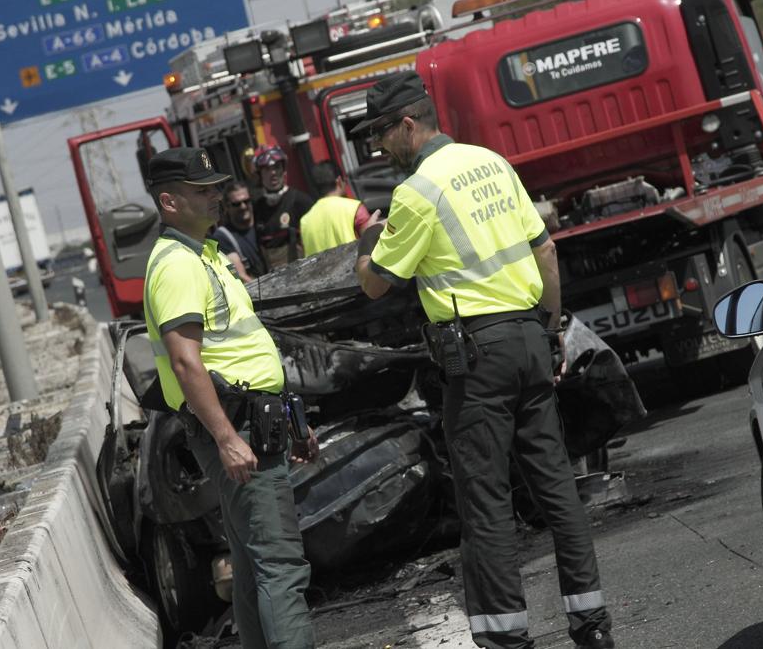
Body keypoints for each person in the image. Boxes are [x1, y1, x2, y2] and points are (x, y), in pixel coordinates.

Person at [351, 72, 614, 649]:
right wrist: (551, 329)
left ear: (408, 125)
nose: (377, 147)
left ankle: (506, 638)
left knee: (487, 500)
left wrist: (367, 240)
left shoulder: (416, 192)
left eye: (380, 134)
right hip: (528, 337)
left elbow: (375, 286)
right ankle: (591, 624)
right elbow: (544, 247)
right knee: (556, 486)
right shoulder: (491, 162)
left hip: (477, 357)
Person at [141, 147, 318, 649]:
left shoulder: (207, 254)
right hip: (238, 430)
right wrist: (224, 437)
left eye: (217, 186)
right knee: (280, 564)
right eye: (203, 191)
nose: (217, 196)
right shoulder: (176, 265)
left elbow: (244, 350)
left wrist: (293, 422)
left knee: (251, 564)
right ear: (170, 202)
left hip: (255, 422)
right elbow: (185, 362)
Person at [298, 161, 380, 256]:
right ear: (339, 181)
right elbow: (372, 245)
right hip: (353, 269)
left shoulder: (304, 222)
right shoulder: (354, 208)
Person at [252, 145, 315, 269]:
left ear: (283, 170)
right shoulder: (257, 207)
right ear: (259, 175)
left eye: (277, 167)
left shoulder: (301, 201)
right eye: (267, 169)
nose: (273, 173)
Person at [213, 180, 269, 282]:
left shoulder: (264, 221)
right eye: (236, 204)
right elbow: (240, 275)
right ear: (227, 207)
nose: (243, 206)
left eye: (246, 201)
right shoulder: (222, 237)